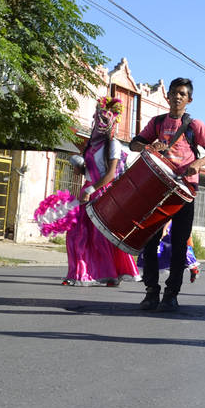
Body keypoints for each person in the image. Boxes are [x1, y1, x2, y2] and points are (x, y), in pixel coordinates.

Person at [128, 78, 205, 313]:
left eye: (182, 94)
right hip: (157, 190)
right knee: (150, 241)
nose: (177, 97)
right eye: (174, 93)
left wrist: (197, 164)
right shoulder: (157, 122)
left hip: (184, 192)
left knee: (179, 245)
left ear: (189, 99)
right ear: (167, 96)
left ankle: (171, 295)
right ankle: (151, 291)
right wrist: (149, 147)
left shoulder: (195, 125)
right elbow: (134, 144)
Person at [64, 95, 138, 286]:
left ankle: (110, 273)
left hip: (103, 194)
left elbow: (111, 174)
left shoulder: (113, 144)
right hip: (87, 191)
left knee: (100, 237)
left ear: (112, 122)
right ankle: (79, 273)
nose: (100, 122)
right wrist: (79, 168)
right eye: (98, 118)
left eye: (105, 119)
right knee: (77, 234)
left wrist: (91, 189)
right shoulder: (90, 145)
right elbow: (88, 171)